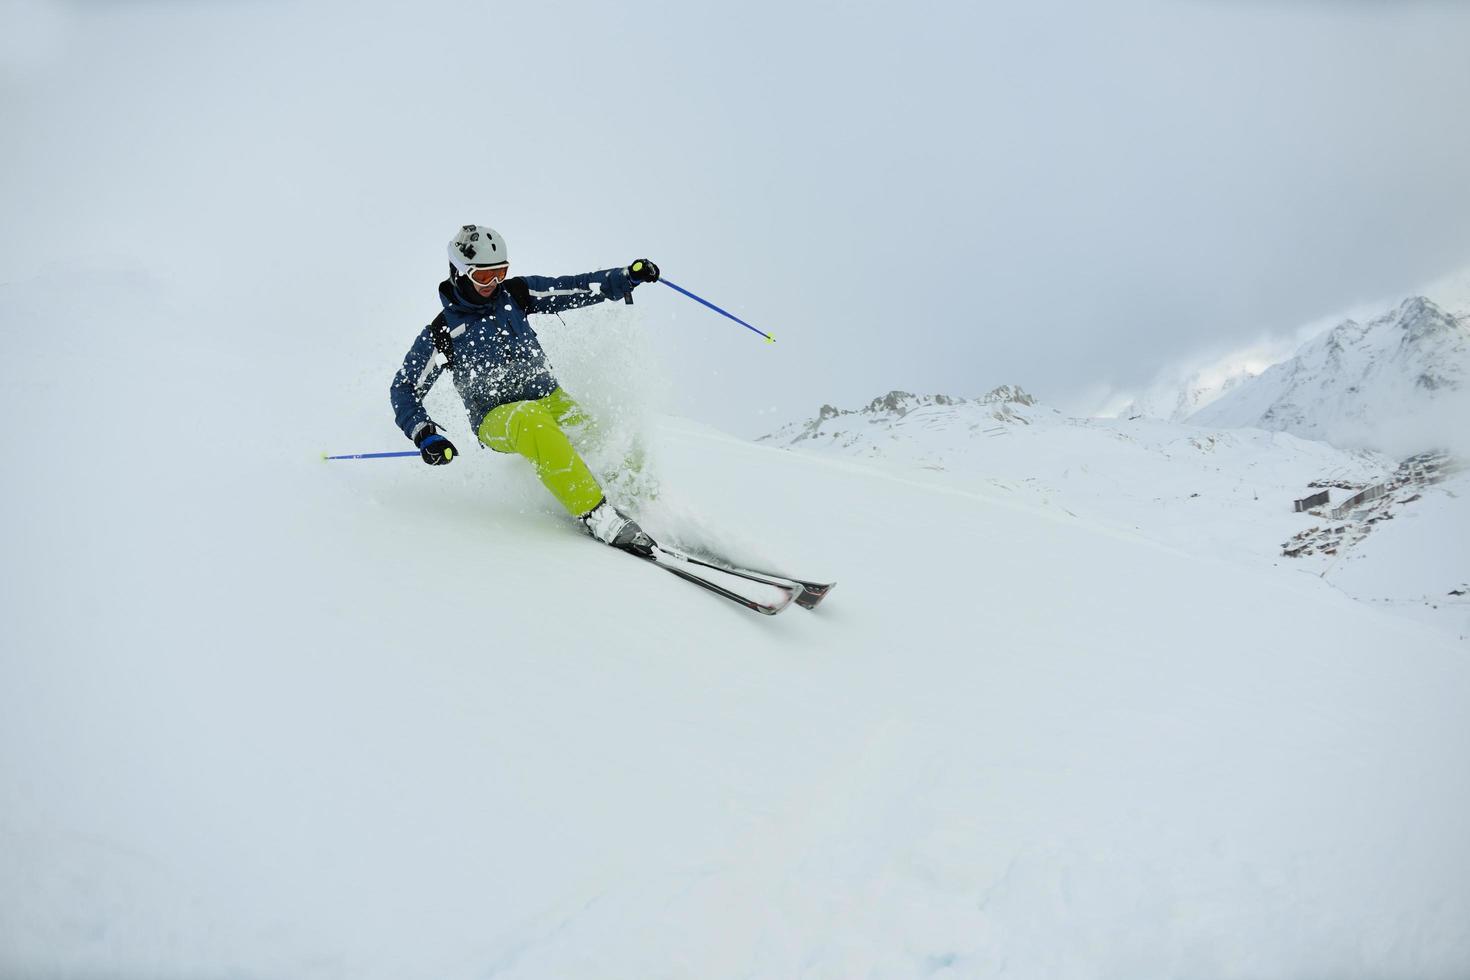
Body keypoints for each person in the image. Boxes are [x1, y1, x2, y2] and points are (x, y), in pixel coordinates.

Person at [390, 224, 661, 555]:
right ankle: (598, 515)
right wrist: (425, 433)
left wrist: (624, 279)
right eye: (483, 277)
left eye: (500, 272)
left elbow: (571, 288)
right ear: (459, 273)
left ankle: (646, 505)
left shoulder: (515, 294)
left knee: (606, 435)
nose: (494, 284)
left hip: (549, 397)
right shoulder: (444, 331)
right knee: (530, 418)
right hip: (496, 418)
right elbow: (404, 387)